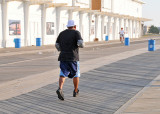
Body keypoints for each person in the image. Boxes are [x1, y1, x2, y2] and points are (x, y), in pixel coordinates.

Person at [55, 20, 84, 100]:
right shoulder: (76, 33)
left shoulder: (62, 33)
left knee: (63, 73)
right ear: (74, 26)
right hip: (73, 57)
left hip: (63, 57)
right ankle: (75, 91)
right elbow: (81, 43)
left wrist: (62, 49)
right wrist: (80, 46)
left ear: (67, 26)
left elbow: (57, 45)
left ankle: (60, 88)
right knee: (76, 74)